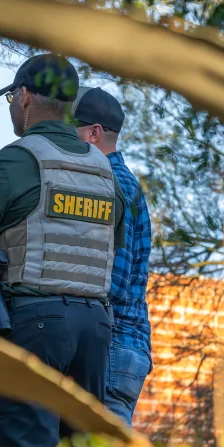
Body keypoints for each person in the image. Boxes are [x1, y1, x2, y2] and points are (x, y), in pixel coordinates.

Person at [0, 54, 126, 447]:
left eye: (9, 98)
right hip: (95, 331)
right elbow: (108, 253)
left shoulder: (9, 162)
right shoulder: (106, 173)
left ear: (23, 98)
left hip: (30, 325)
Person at [72, 87, 152, 427]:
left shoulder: (110, 184)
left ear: (93, 133)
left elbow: (111, 282)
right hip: (123, 345)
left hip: (113, 346)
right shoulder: (123, 183)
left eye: (68, 129)